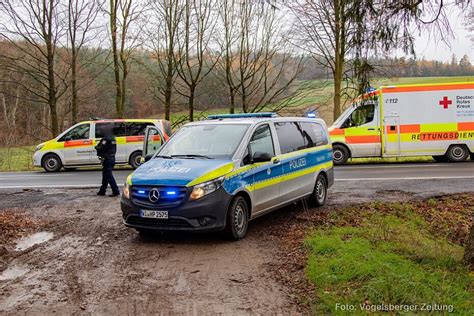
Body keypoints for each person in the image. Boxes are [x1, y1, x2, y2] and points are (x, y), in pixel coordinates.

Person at [95, 124, 120, 197]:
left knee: (108, 176)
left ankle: (115, 190)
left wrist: (96, 147)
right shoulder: (112, 138)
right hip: (112, 158)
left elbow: (102, 148)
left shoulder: (106, 139)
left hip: (107, 159)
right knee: (105, 175)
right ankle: (102, 190)